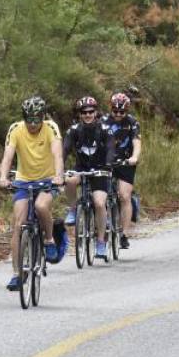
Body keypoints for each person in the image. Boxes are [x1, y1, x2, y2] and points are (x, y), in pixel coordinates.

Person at [0, 96, 63, 290]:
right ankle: (17, 273)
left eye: (37, 120)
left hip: (48, 179)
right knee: (18, 224)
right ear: (24, 117)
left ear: (43, 117)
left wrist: (59, 176)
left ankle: (50, 240)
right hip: (24, 180)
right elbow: (8, 155)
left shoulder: (51, 127)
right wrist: (3, 176)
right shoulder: (16, 129)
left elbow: (57, 154)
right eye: (29, 119)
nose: (33, 124)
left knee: (41, 206)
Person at [64, 96, 114, 259]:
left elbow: (110, 149)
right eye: (84, 112)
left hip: (101, 170)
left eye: (91, 111)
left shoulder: (106, 129)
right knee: (70, 181)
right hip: (82, 168)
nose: (87, 115)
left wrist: (107, 165)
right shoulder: (73, 131)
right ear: (80, 114)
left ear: (96, 112)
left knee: (99, 203)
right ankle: (72, 209)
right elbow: (64, 150)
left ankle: (100, 241)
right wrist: (58, 169)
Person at [105, 92, 142, 250]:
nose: (118, 114)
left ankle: (124, 234)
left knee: (124, 195)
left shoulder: (132, 122)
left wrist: (134, 156)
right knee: (99, 194)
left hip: (126, 161)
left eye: (122, 112)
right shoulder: (103, 121)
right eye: (115, 111)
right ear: (111, 109)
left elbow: (137, 142)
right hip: (107, 161)